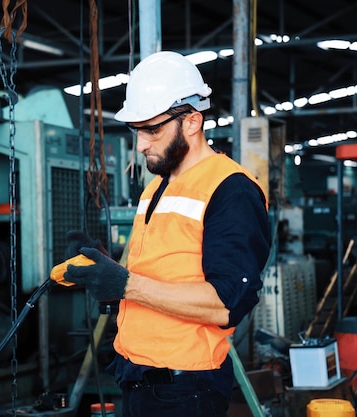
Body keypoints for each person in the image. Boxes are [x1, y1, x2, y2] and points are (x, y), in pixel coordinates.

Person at [61, 51, 270, 417]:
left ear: (192, 121)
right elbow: (163, 269)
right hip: (139, 377)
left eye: (152, 129)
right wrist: (102, 262)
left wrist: (124, 285)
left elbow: (226, 303)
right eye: (137, 130)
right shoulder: (157, 186)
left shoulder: (231, 191)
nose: (141, 144)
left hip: (186, 391)